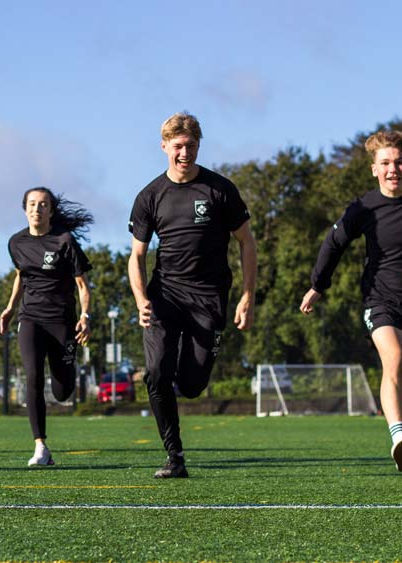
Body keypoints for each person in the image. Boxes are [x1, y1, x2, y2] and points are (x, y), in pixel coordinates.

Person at [300, 130, 402, 473]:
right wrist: (318, 285)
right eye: (386, 163)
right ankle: (399, 437)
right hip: (381, 299)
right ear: (374, 169)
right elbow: (334, 243)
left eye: (400, 162)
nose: (394, 169)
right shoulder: (363, 208)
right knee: (393, 360)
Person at [128, 111, 257, 479]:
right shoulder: (150, 196)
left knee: (192, 385)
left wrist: (247, 295)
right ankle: (175, 455)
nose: (185, 153)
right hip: (164, 298)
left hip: (209, 299)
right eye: (179, 146)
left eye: (192, 146)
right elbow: (136, 257)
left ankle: (189, 370)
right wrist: (141, 301)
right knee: (155, 372)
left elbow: (247, 243)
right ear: (164, 146)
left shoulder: (220, 190)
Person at [0, 187, 93, 467]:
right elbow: (21, 277)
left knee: (63, 390)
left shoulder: (64, 241)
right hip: (30, 319)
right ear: (25, 208)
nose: (36, 209)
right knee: (32, 377)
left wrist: (85, 316)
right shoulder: (16, 242)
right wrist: (10, 307)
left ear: (51, 210)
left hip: (62, 322)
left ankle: (68, 370)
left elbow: (82, 286)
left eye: (43, 205)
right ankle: (40, 446)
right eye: (32, 204)